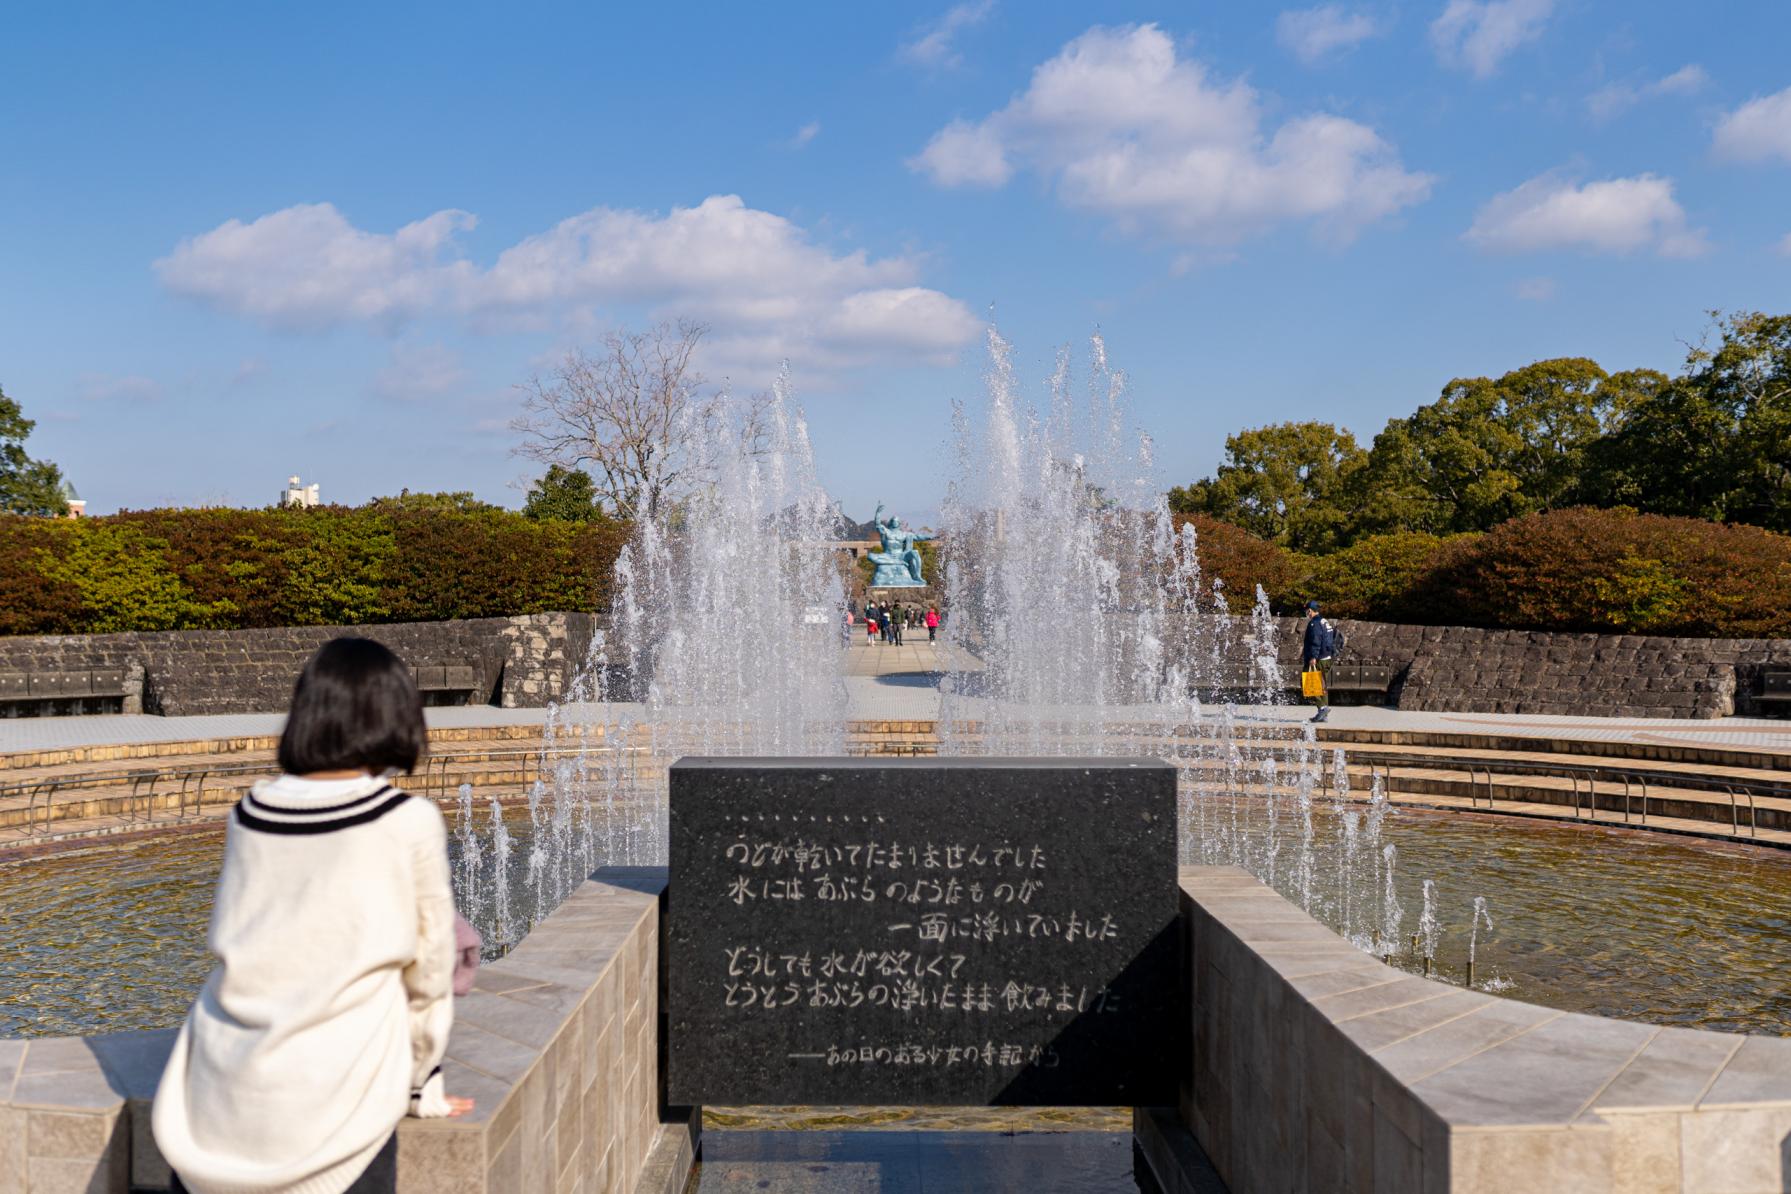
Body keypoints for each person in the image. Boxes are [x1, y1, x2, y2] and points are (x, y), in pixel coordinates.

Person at [154, 637, 469, 1194]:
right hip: (339, 1104)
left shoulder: (248, 811)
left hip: (216, 1098)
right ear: (396, 714)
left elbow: (239, 941)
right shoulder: (406, 820)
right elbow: (430, 974)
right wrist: (422, 1084)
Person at [1302, 600, 1338, 724]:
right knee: (1322, 685)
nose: (1306, 613)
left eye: (1307, 611)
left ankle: (1322, 708)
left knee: (1309, 682)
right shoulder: (1325, 621)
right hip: (1327, 658)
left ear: (1310, 610)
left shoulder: (1315, 623)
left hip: (1318, 659)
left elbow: (1316, 641)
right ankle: (1323, 713)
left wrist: (1313, 657)